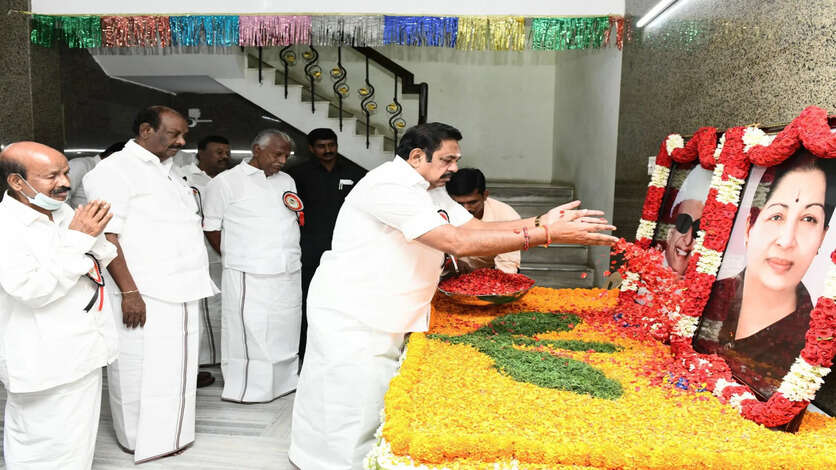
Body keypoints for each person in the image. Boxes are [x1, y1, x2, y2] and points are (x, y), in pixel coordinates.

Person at [288, 122, 617, 470]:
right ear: (418, 156)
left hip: (390, 306)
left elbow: (474, 228)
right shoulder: (388, 185)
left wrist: (540, 221)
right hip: (355, 308)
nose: (455, 168)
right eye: (448, 159)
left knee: (374, 400)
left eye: (456, 159)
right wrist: (546, 235)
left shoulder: (430, 188)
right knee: (348, 400)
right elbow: (454, 242)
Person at [83, 106, 217, 463]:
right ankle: (137, 439)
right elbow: (106, 237)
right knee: (140, 367)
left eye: (184, 134)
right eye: (174, 134)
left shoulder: (169, 172)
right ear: (145, 130)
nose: (182, 141)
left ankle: (173, 434)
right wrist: (129, 292)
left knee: (177, 369)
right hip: (144, 292)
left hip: (182, 288)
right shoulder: (114, 171)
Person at [0, 142, 117, 469]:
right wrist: (78, 240)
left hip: (84, 350)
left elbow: (100, 258)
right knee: (41, 446)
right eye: (52, 176)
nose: (65, 182)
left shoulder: (64, 212)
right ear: (17, 182)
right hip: (44, 359)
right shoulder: (5, 226)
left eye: (66, 172)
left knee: (76, 445)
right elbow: (31, 289)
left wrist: (90, 237)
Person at [696, 151, 835, 397]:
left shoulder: (815, 338)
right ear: (749, 226)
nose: (786, 241)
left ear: (822, 238)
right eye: (777, 216)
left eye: (808, 219)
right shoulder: (706, 295)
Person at [203, 129, 302, 403]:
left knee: (284, 328)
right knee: (252, 331)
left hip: (287, 268)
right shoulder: (226, 182)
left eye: (286, 156)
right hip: (249, 270)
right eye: (277, 154)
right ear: (257, 150)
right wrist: (234, 255)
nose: (282, 161)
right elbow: (211, 227)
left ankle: (284, 382)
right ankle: (249, 389)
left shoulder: (287, 180)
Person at [287, 128, 367, 365]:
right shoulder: (297, 175)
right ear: (311, 149)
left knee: (344, 301)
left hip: (346, 251)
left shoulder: (355, 172)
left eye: (331, 145)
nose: (328, 150)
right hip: (310, 250)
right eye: (321, 146)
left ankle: (343, 352)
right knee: (310, 301)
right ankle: (306, 353)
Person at [175, 135, 231, 386]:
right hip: (195, 252)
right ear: (200, 153)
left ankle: (219, 357)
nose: (224, 156)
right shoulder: (184, 177)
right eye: (218, 152)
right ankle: (198, 362)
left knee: (221, 304)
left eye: (226, 152)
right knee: (198, 307)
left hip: (224, 250)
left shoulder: (229, 179)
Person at [445, 168, 521, 273]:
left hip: (491, 273)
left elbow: (507, 264)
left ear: (485, 195)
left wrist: (488, 280)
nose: (466, 209)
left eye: (472, 202)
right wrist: (450, 262)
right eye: (459, 204)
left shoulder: (506, 216)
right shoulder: (441, 213)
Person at [663, 166, 712, 276]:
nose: (687, 240)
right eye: (683, 224)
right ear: (670, 234)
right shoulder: (644, 266)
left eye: (697, 231)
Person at [66, 141, 125, 208]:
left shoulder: (112, 174)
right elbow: (62, 196)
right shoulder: (81, 165)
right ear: (111, 154)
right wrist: (72, 215)